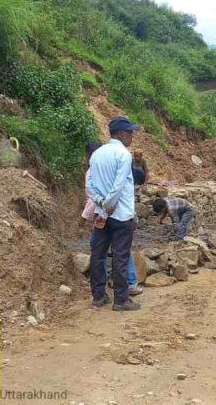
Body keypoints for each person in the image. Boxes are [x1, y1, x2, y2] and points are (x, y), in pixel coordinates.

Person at [87, 116, 142, 312]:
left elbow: (90, 184)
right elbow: (118, 185)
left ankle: (98, 296)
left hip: (102, 214)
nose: (131, 135)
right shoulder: (123, 155)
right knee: (120, 256)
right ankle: (121, 299)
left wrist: (101, 204)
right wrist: (109, 203)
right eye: (129, 132)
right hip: (121, 214)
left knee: (98, 254)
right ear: (119, 133)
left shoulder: (97, 154)